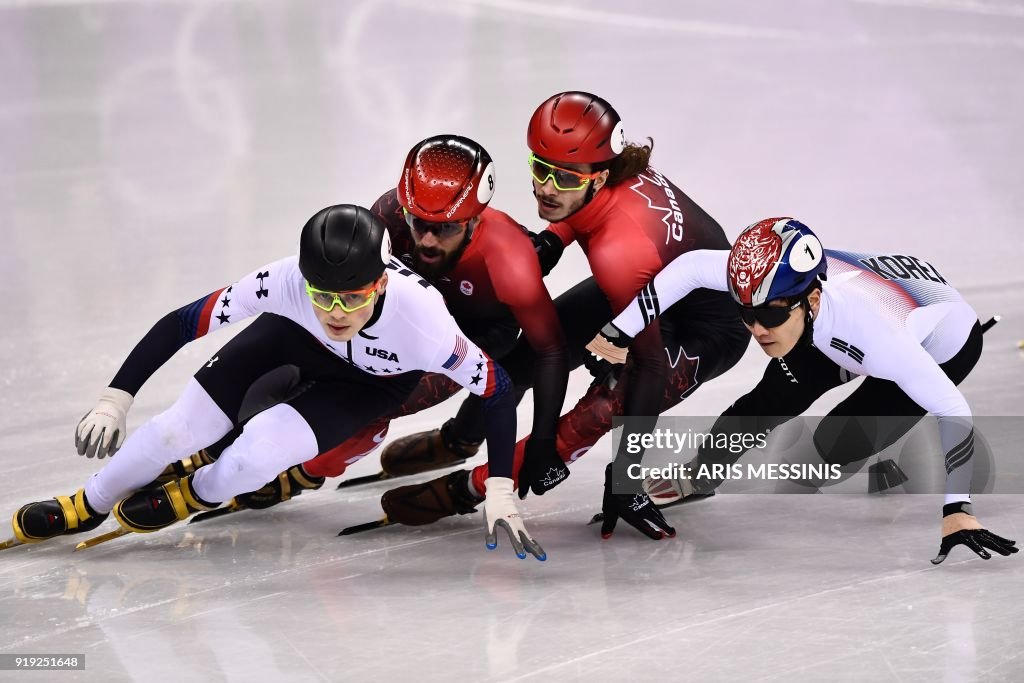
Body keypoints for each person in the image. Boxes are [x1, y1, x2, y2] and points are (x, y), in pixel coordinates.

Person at [6, 205, 545, 560]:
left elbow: (496, 388)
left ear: (380, 284)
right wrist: (115, 398)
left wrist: (499, 484)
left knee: (248, 462)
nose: (336, 312)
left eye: (352, 298)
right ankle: (89, 499)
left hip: (367, 385)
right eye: (323, 296)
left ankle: (199, 492)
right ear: (303, 278)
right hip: (289, 340)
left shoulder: (424, 322)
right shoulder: (284, 280)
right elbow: (182, 323)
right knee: (175, 431)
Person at [380, 91, 750, 540]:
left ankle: (468, 490)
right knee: (519, 363)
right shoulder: (611, 171)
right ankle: (459, 438)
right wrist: (555, 238)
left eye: (566, 179)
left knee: (600, 408)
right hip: (645, 287)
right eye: (540, 169)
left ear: (598, 177)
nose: (547, 189)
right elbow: (583, 209)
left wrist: (625, 475)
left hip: (705, 328)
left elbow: (651, 365)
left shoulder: (621, 250)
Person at [599, 216, 1017, 564]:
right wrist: (620, 331)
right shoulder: (767, 278)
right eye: (746, 314)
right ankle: (700, 474)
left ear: (810, 299)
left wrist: (957, 509)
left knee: (835, 447)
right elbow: (689, 269)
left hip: (943, 341)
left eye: (769, 316)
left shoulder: (880, 339)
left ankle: (891, 449)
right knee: (766, 402)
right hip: (853, 313)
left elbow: (952, 407)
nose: (758, 330)